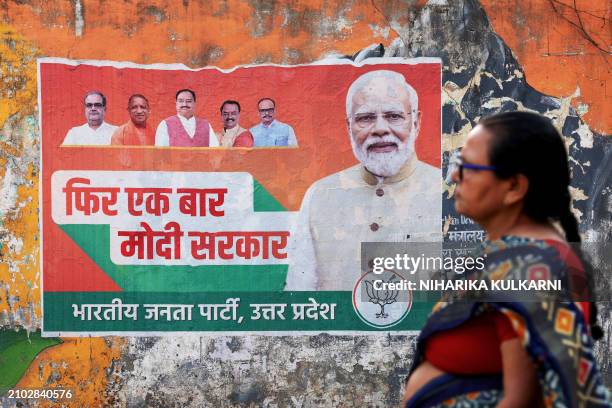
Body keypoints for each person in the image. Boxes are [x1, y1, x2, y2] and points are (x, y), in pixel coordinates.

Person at [403, 111, 609, 407]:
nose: (453, 176)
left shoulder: (532, 271)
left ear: (514, 187)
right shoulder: (517, 257)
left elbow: (522, 399)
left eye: (467, 167)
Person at [286, 70, 441, 290]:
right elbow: (299, 296)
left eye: (394, 116)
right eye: (365, 118)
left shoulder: (453, 193)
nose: (379, 129)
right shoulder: (321, 196)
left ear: (415, 123)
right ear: (349, 127)